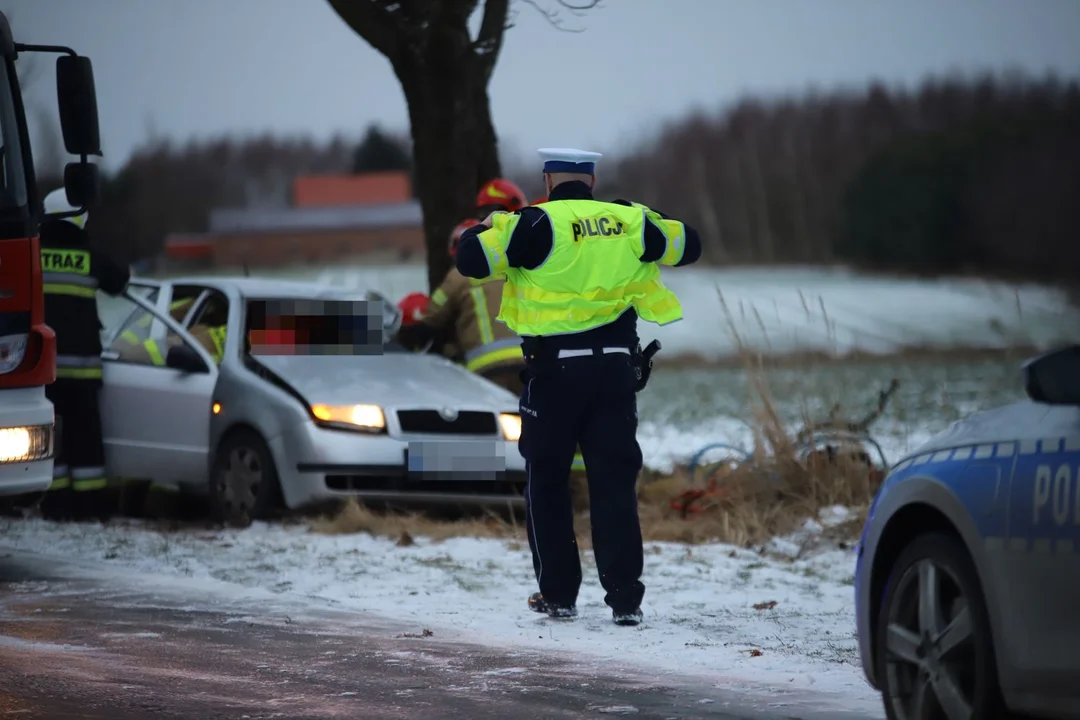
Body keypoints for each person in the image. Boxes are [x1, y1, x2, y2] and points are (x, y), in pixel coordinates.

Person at [455, 148, 702, 626]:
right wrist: (655, 220)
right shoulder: (629, 221)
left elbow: (471, 259)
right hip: (614, 374)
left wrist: (489, 227)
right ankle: (626, 601)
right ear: (592, 181)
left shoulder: (532, 224)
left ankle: (559, 595)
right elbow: (689, 245)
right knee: (613, 483)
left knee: (547, 482)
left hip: (555, 376)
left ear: (548, 181)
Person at [38, 188, 131, 522]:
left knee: (50, 441)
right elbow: (120, 279)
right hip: (84, 373)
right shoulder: (88, 254)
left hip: (44, 372)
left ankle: (55, 504)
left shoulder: (33, 254)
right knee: (86, 441)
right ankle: (90, 507)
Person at [395, 219, 526, 394]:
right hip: (527, 363)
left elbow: (432, 320)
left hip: (486, 368)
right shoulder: (517, 271)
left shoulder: (457, 277)